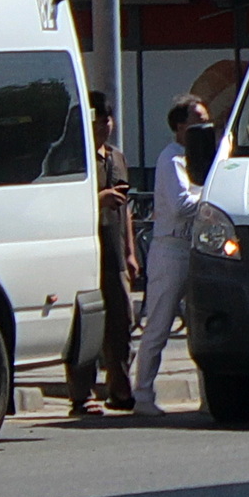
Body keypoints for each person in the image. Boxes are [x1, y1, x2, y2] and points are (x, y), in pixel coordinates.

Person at [131, 95, 208, 417]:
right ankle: (143, 395)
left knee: (203, 326)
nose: (205, 126)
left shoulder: (204, 158)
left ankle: (210, 396)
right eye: (198, 121)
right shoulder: (172, 159)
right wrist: (210, 198)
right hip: (172, 247)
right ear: (180, 127)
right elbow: (180, 206)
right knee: (160, 324)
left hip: (199, 246)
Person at [64, 91, 139, 416]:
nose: (104, 126)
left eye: (107, 120)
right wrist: (99, 198)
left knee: (122, 323)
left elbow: (127, 211)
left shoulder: (116, 157)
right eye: (98, 121)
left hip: (115, 255)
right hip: (85, 255)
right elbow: (63, 206)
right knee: (85, 326)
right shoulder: (73, 159)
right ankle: (81, 395)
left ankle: (120, 390)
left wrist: (131, 252)